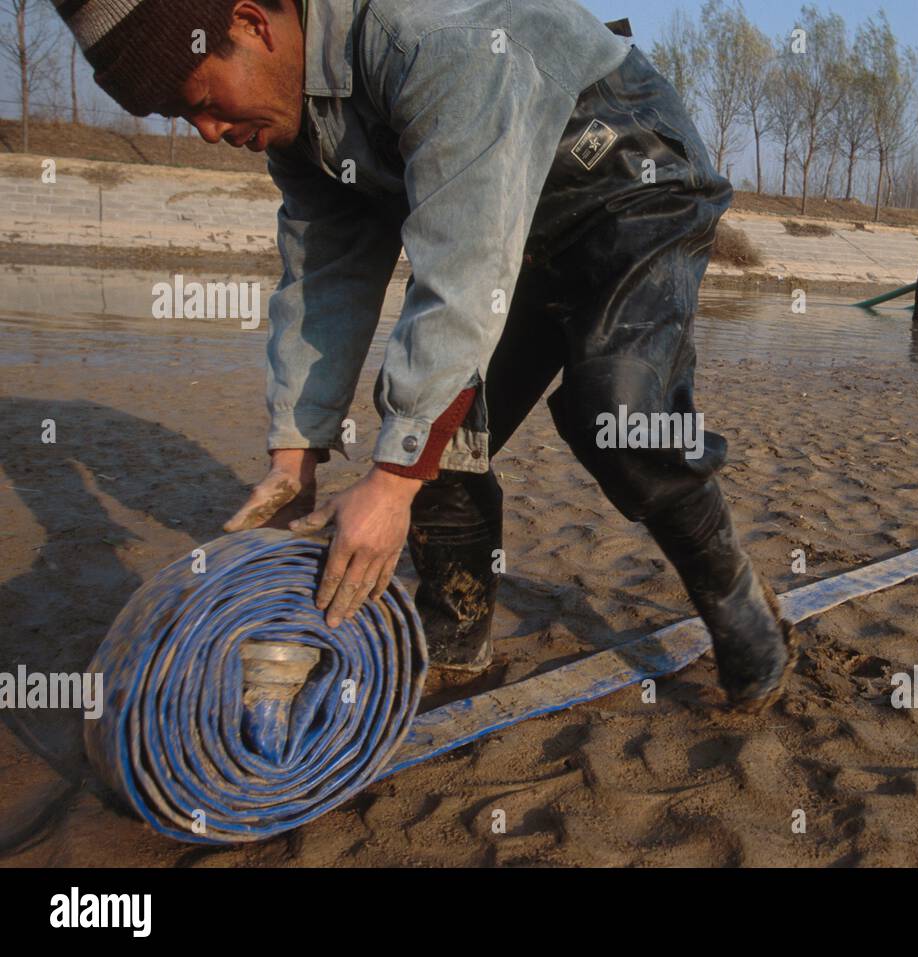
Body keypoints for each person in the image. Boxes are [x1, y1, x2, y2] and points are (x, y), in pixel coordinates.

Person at [60, 0, 794, 711]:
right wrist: (297, 445)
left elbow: (463, 265)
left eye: (202, 103)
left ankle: (741, 607)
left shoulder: (427, 37)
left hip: (630, 184)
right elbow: (327, 268)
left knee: (617, 412)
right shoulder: (297, 120)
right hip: (513, 225)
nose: (209, 131)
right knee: (436, 431)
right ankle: (454, 637)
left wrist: (391, 478)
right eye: (184, 119)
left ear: (252, 23)